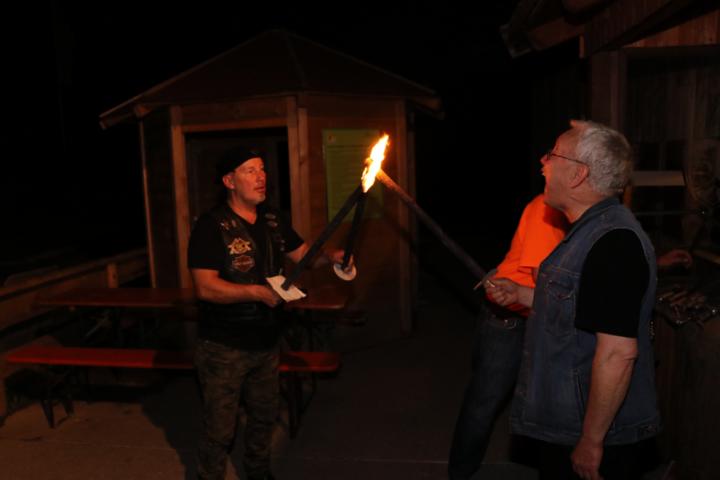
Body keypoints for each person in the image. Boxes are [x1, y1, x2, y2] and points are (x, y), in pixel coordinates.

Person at [487, 120, 661, 480]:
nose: (543, 162)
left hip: (594, 433)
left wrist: (591, 440)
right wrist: (522, 294)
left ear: (578, 174)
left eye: (553, 154)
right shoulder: (588, 232)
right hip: (569, 422)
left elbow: (617, 353)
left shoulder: (614, 243)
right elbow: (581, 308)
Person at [188, 146, 347, 480]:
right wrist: (257, 292)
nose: (261, 177)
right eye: (250, 171)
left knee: (263, 418)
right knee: (220, 429)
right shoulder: (210, 226)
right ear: (229, 181)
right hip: (223, 347)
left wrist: (331, 256)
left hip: (267, 342)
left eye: (262, 169)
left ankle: (258, 473)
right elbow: (205, 287)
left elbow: (304, 256)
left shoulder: (273, 220)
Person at [448, 193, 567, 479]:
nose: (545, 169)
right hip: (509, 319)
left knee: (543, 400)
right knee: (484, 401)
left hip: (536, 316)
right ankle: (460, 472)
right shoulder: (545, 209)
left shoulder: (574, 212)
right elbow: (545, 282)